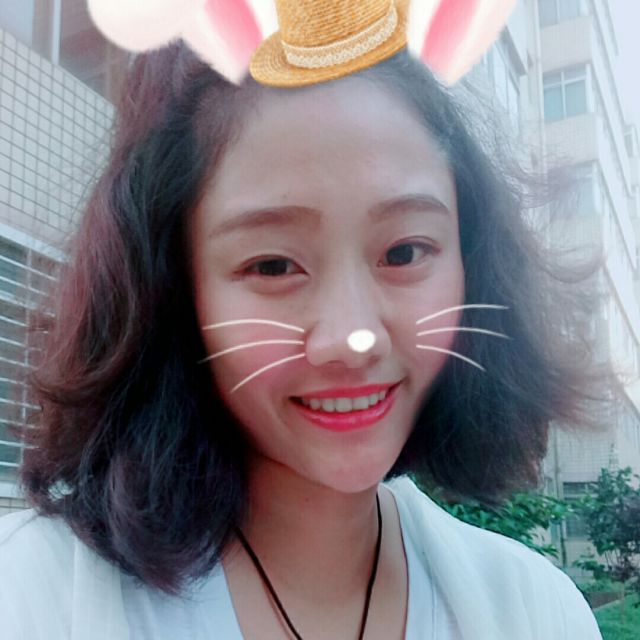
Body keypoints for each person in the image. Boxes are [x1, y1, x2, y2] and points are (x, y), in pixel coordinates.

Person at [0, 1, 618, 638]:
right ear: (176, 290)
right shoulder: (31, 597)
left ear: (474, 265)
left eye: (404, 252)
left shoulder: (536, 612)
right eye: (273, 265)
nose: (352, 339)